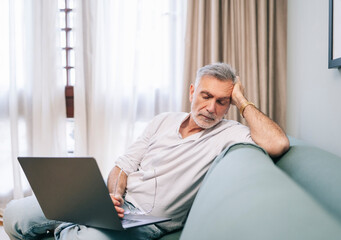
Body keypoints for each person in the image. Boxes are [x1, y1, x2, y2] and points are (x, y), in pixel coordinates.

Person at [4, 63, 289, 240]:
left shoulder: (230, 133)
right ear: (192, 91)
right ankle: (72, 223)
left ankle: (65, 228)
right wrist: (114, 196)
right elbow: (122, 167)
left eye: (222, 101)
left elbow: (278, 144)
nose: (211, 108)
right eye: (206, 96)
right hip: (117, 205)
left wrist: (241, 100)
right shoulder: (162, 120)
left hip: (150, 222)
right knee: (16, 214)